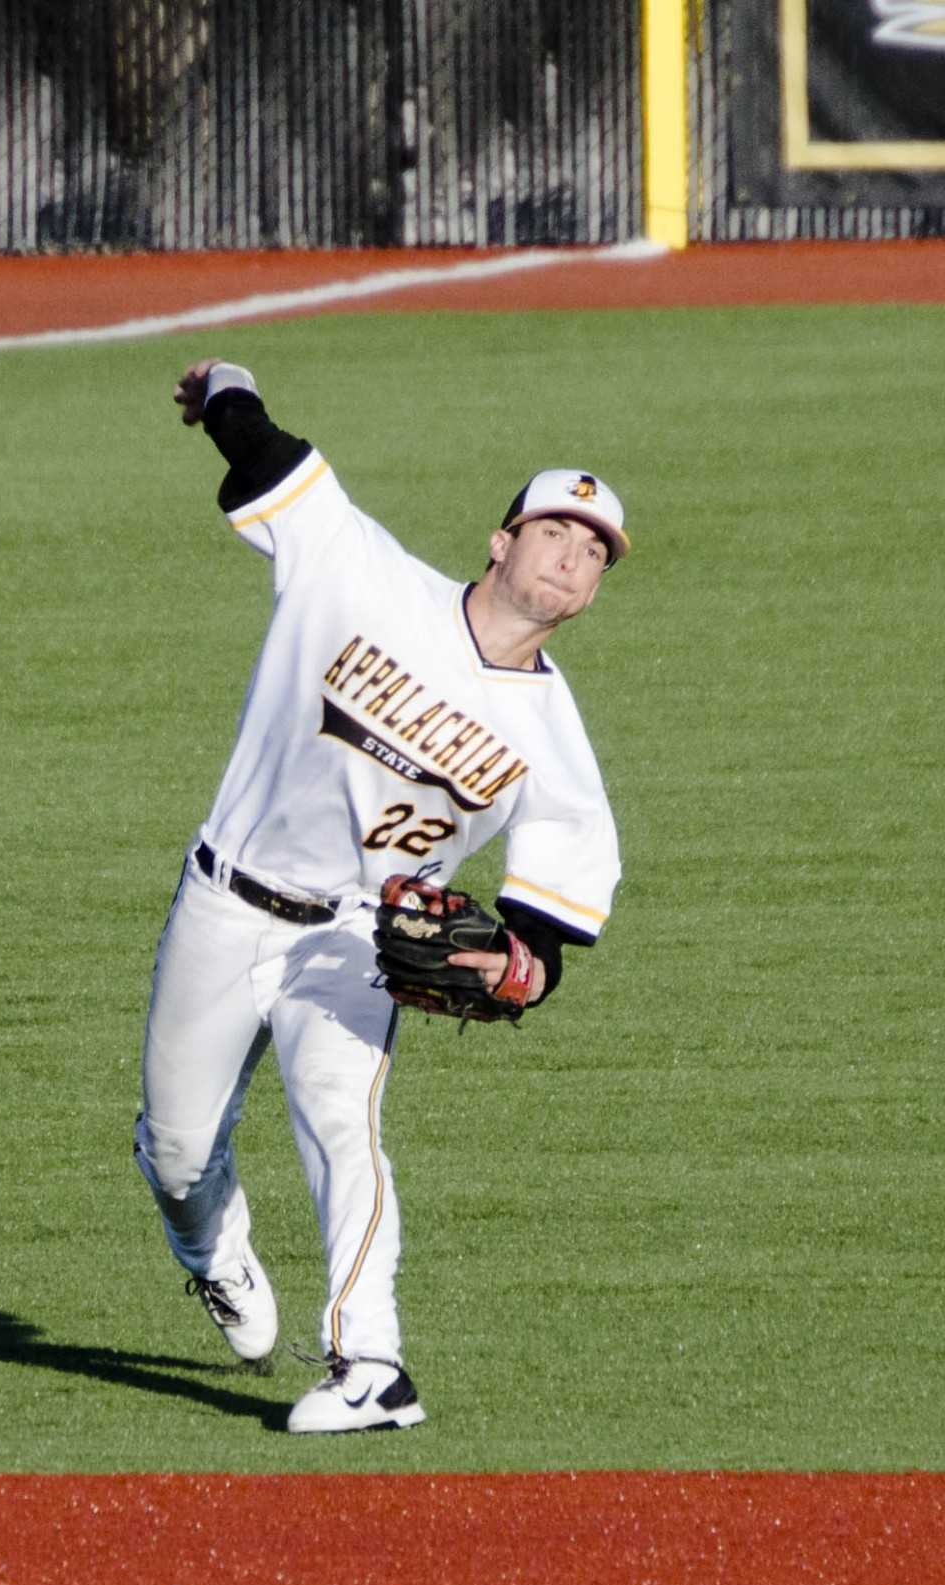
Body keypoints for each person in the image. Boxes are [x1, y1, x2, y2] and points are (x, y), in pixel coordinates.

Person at [134, 357, 629, 1435]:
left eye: (592, 551)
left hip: (359, 938)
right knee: (174, 1151)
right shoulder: (361, 574)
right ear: (499, 542)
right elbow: (270, 459)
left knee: (341, 1121)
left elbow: (547, 922)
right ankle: (210, 1249)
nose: (571, 553)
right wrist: (224, 386)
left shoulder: (554, 742)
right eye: (553, 530)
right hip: (225, 899)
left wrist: (515, 970)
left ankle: (371, 1365)